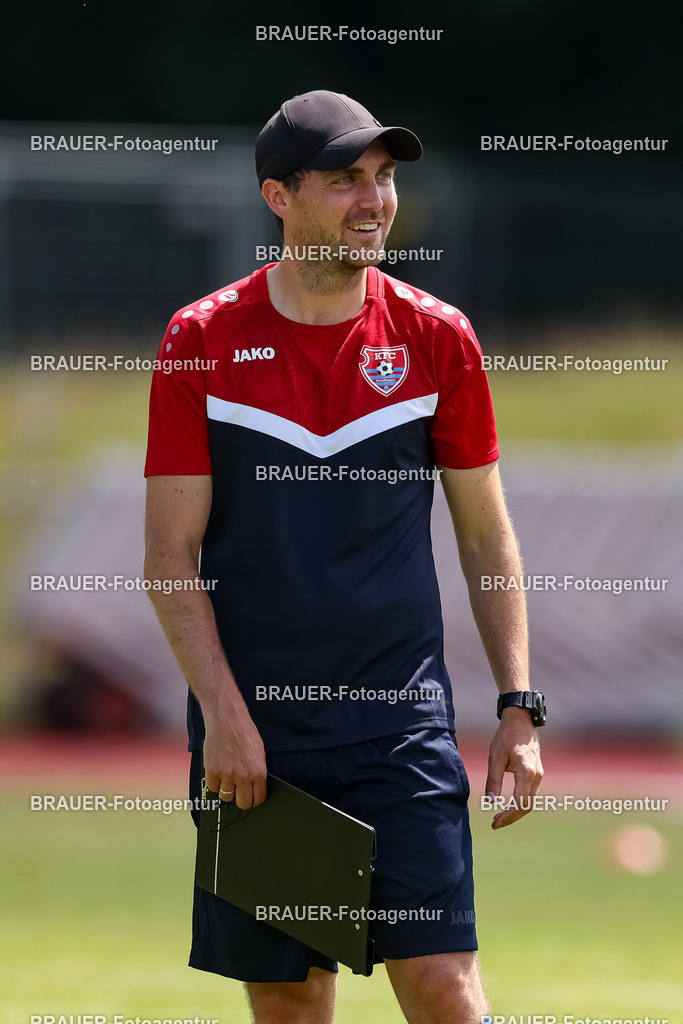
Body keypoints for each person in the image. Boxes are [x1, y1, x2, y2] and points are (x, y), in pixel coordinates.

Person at [144, 89, 544, 1024]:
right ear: (278, 198)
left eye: (383, 178)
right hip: (256, 738)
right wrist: (224, 720)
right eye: (343, 181)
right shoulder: (199, 341)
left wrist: (518, 708)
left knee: (444, 986)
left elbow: (486, 535)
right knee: (289, 999)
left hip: (398, 725)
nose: (373, 200)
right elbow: (170, 553)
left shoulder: (436, 337)